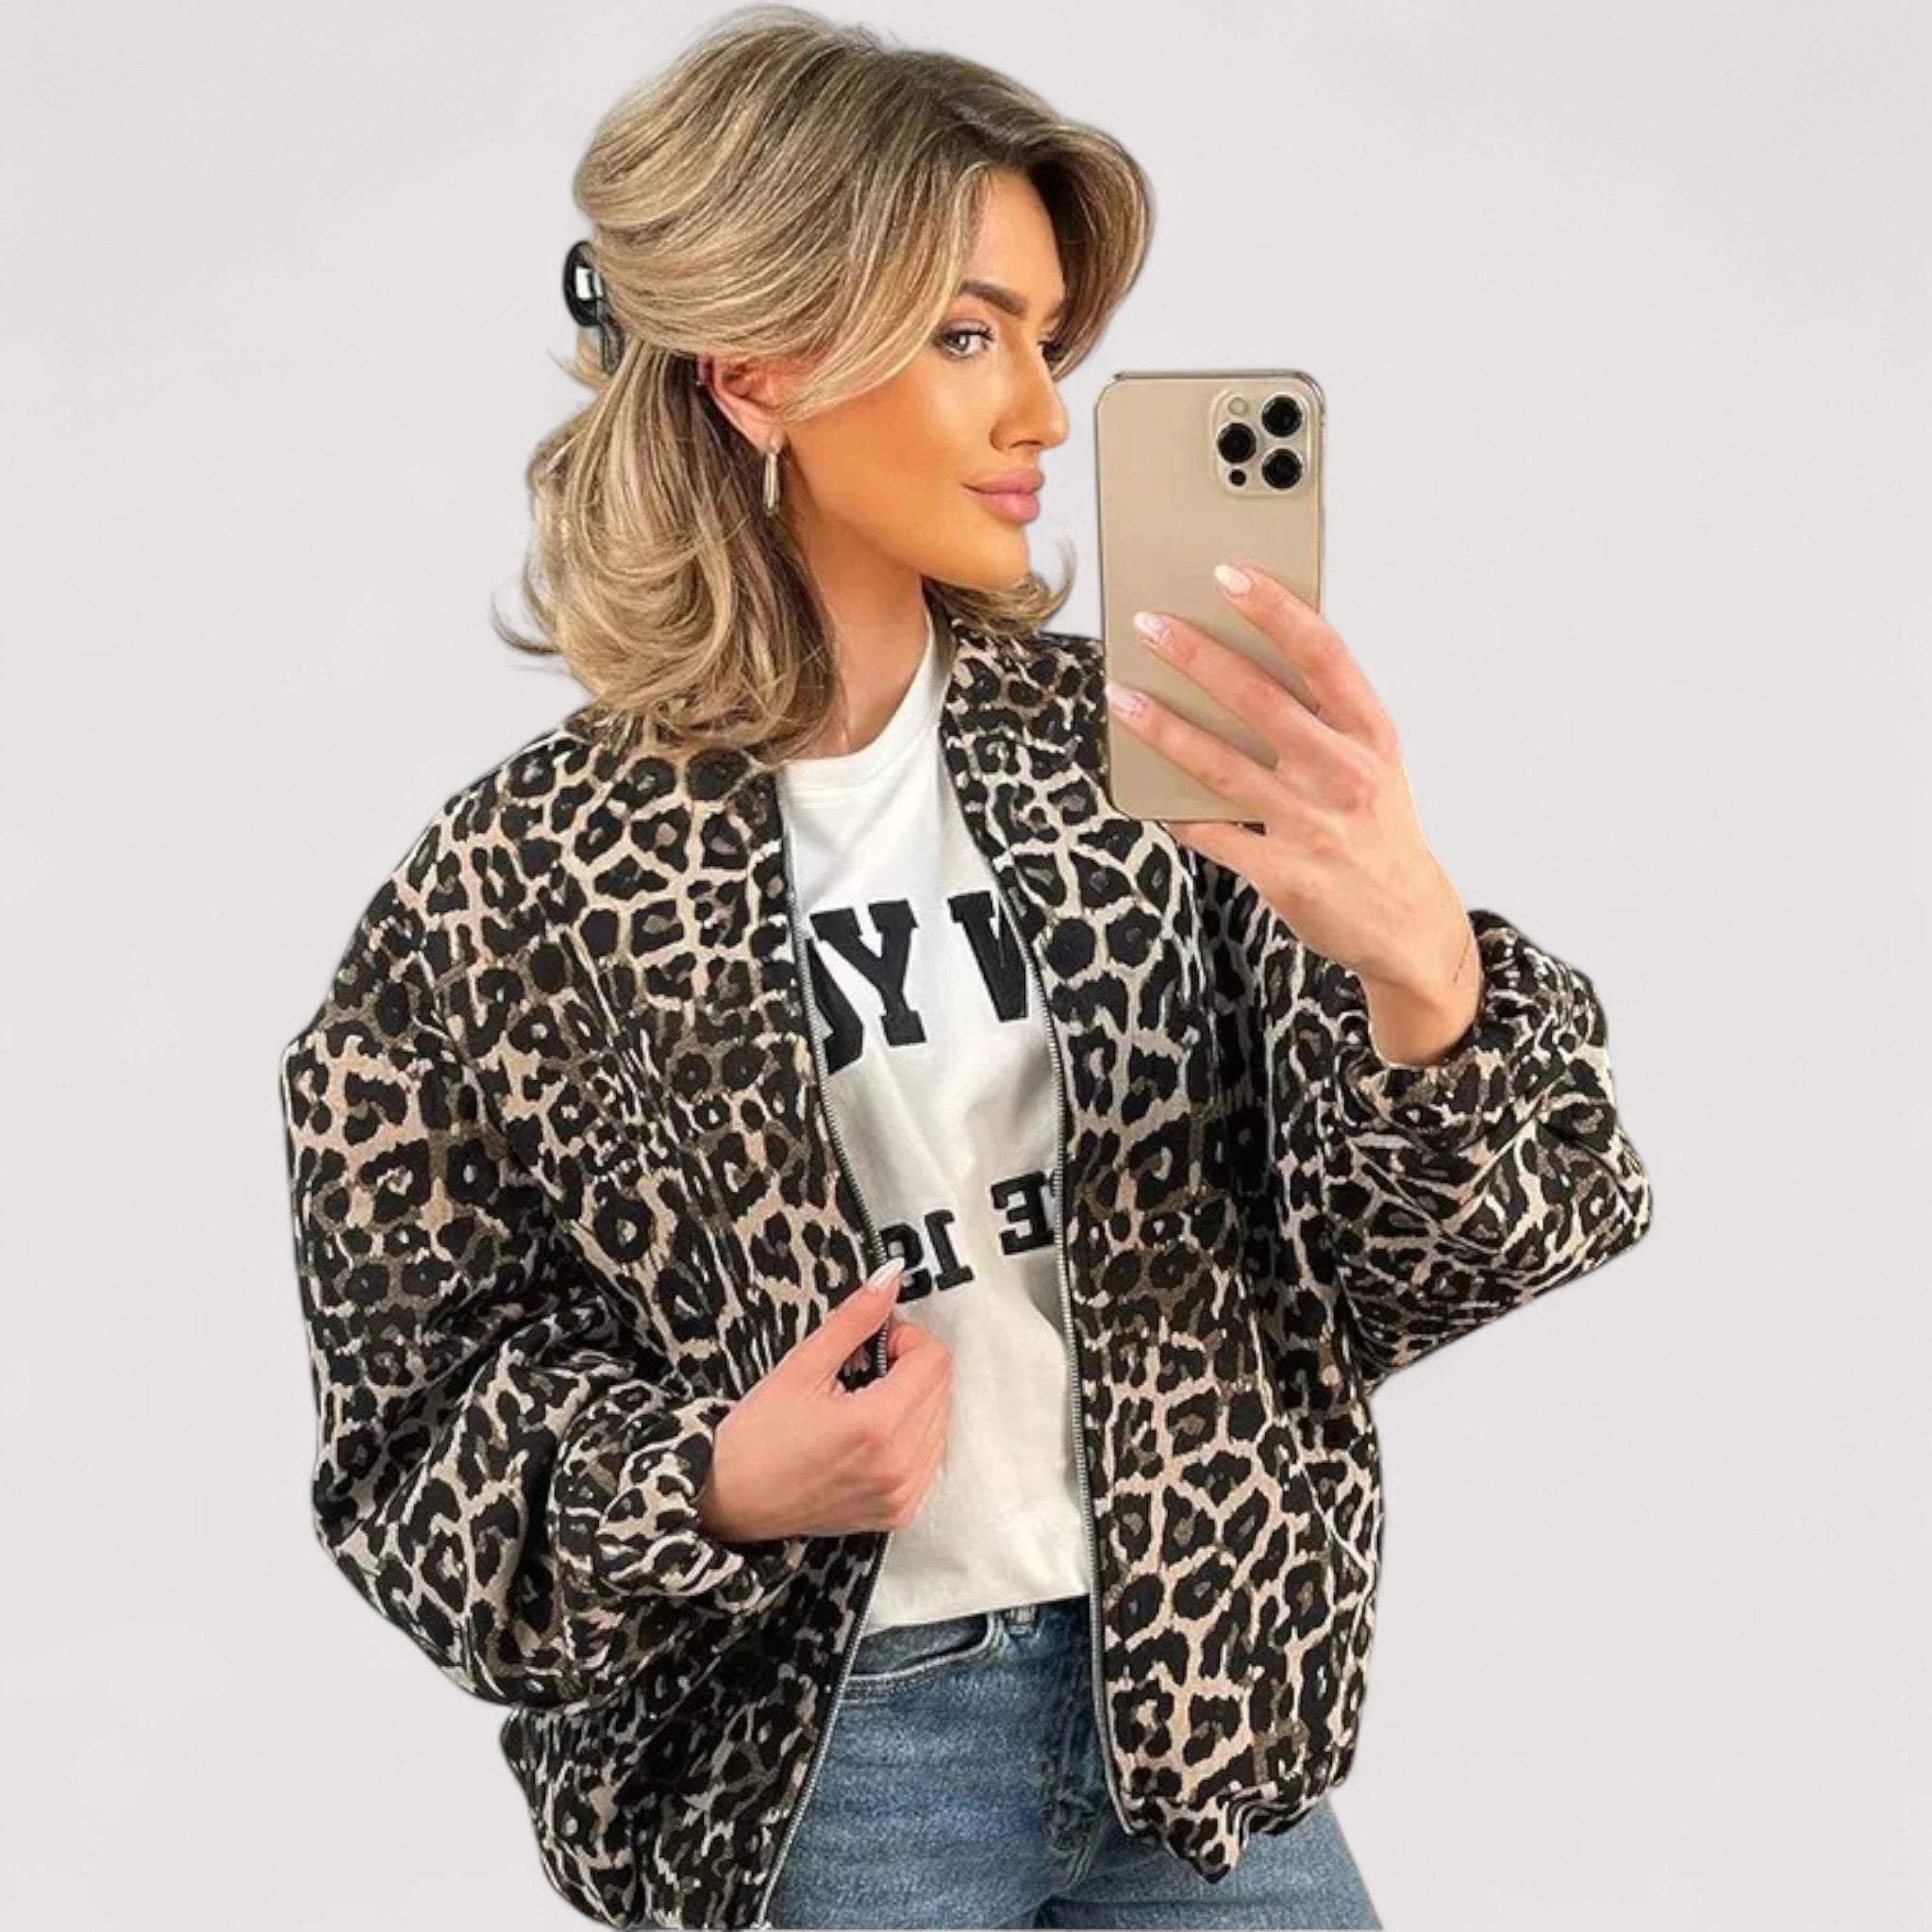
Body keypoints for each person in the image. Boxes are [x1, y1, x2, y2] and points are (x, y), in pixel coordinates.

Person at [277, 8, 1654, 1929]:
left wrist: (1424, 967)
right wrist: (716, 1478)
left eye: (1042, 337)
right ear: (758, 364)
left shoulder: (1149, 766)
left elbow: (1415, 1267)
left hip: (1196, 1731)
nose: (1041, 416)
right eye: (964, 334)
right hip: (831, 1764)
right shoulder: (509, 892)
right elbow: (406, 1466)